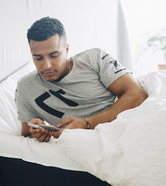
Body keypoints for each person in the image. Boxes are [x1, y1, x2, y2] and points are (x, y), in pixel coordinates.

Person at [15, 17, 147, 142]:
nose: (47, 65)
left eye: (54, 55)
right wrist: (37, 131)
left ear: (66, 49)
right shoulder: (25, 87)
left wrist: (87, 123)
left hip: (122, 129)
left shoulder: (94, 59)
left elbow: (137, 94)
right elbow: (26, 132)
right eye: (38, 58)